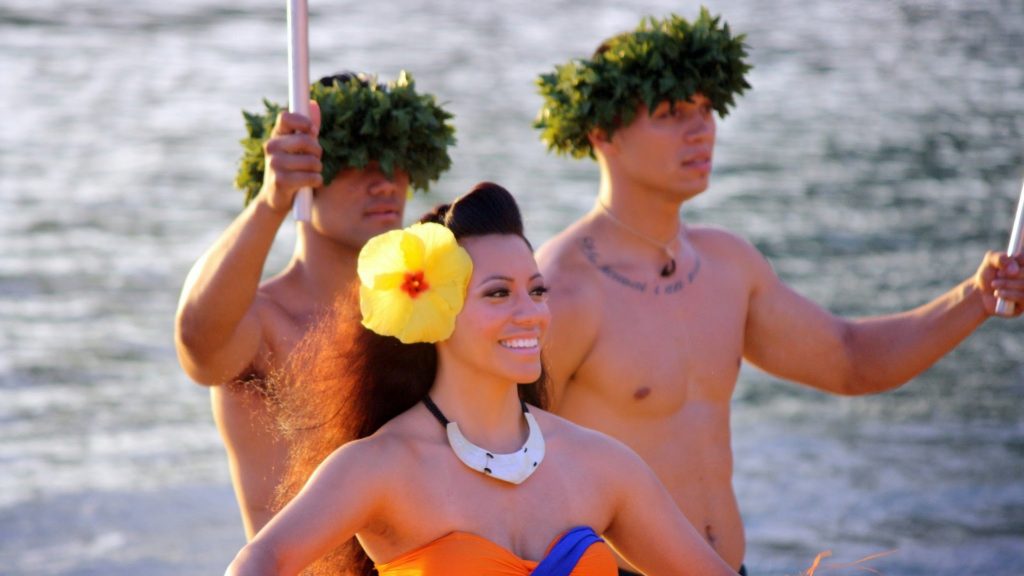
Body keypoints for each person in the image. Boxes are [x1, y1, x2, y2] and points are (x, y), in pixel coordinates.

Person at [532, 10, 1024, 575]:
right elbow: (501, 455)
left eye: (706, 109)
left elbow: (850, 360)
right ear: (602, 133)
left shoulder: (727, 265)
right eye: (671, 114)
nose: (701, 129)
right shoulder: (563, 290)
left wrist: (978, 298)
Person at [224, 182, 738, 576]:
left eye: (536, 291)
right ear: (437, 313)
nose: (530, 314)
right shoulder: (380, 468)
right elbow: (259, 561)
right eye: (498, 294)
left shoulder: (602, 465)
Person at [174, 71, 455, 539]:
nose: (385, 181)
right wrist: (272, 200)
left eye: (397, 159)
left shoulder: (427, 314)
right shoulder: (263, 323)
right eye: (356, 162)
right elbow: (198, 346)